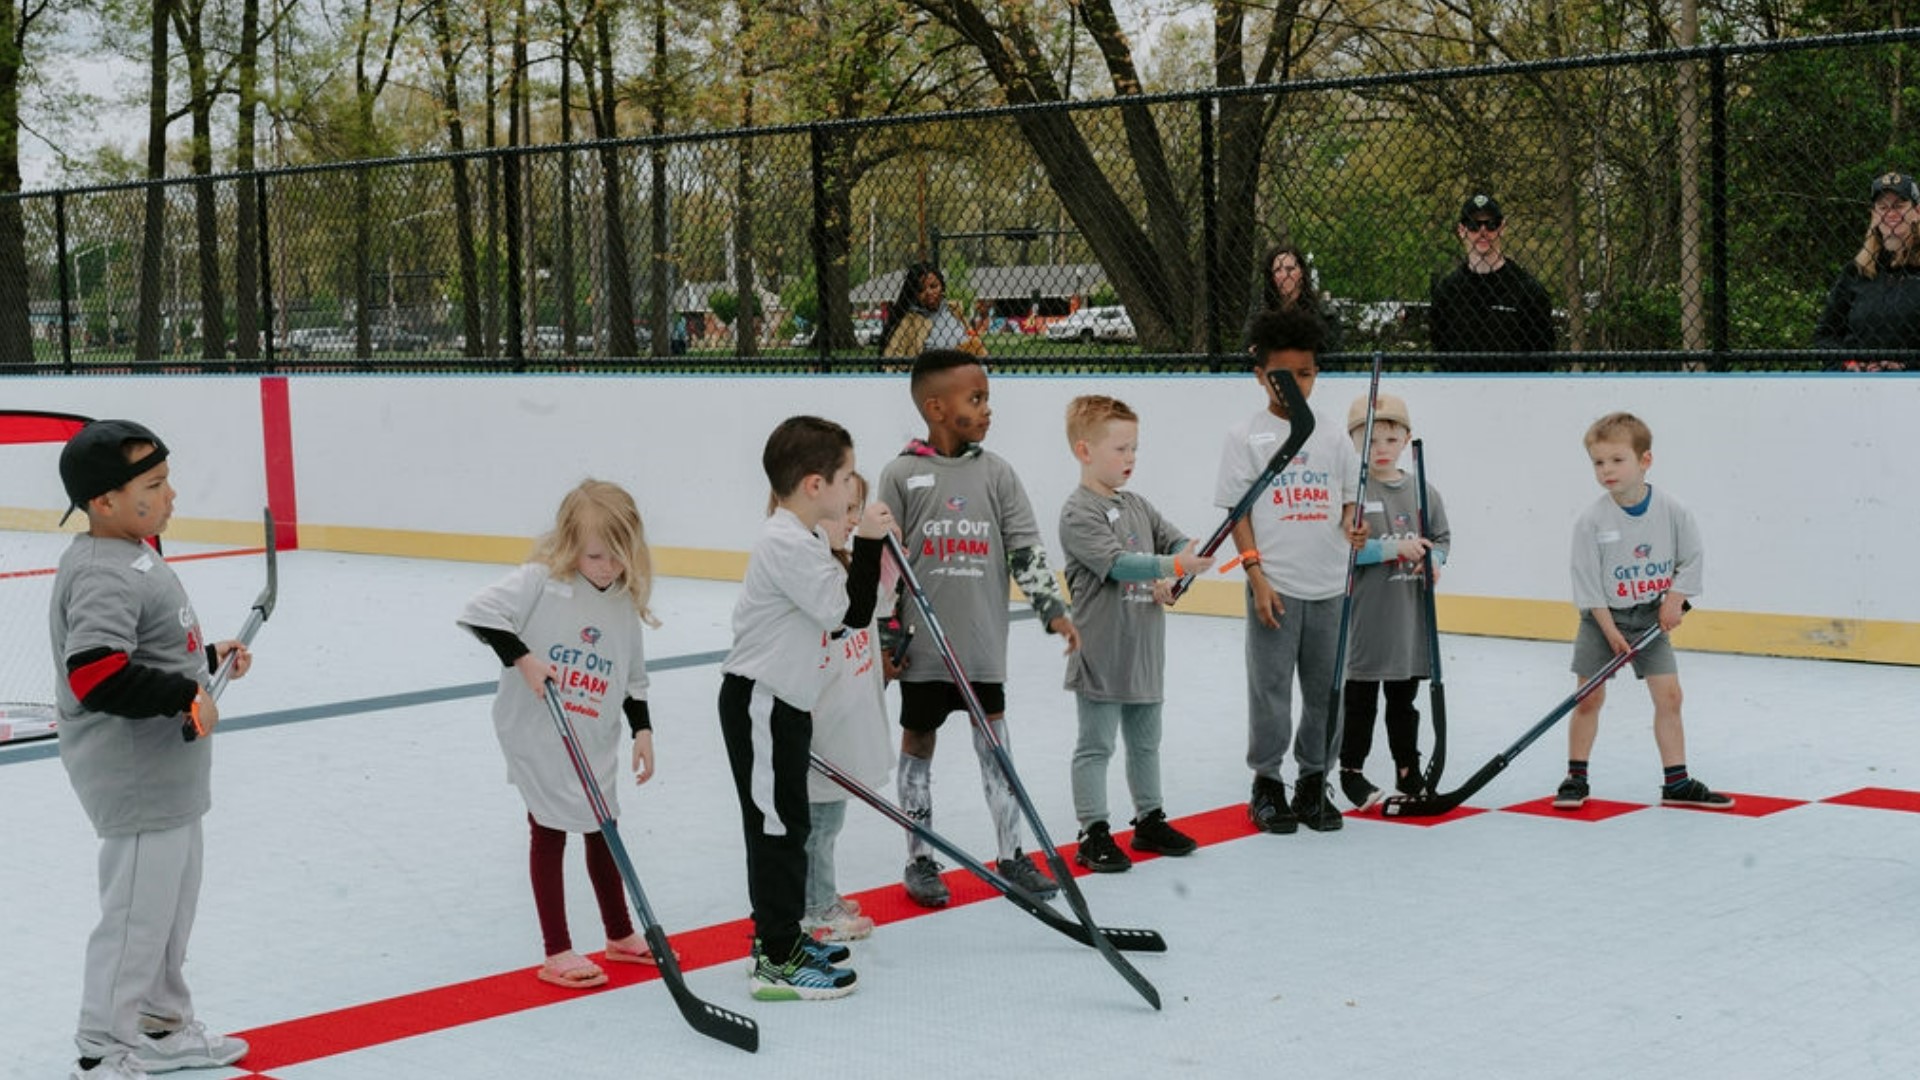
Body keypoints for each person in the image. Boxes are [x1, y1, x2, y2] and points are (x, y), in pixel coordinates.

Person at [51, 419, 253, 1080]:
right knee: (137, 917)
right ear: (104, 501)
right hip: (135, 778)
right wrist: (186, 694)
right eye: (155, 484)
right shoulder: (102, 572)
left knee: (169, 910)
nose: (171, 495)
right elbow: (95, 673)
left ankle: (161, 1025)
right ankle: (101, 1049)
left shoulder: (133, 552)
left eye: (167, 480)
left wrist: (208, 659)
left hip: (169, 776)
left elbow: (149, 649)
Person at [877, 348, 1080, 907]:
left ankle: (1012, 853)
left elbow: (1025, 548)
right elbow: (885, 567)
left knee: (994, 744)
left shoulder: (997, 474)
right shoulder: (901, 475)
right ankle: (920, 858)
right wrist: (887, 639)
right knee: (919, 740)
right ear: (936, 408)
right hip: (923, 651)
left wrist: (1052, 608)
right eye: (976, 398)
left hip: (981, 647)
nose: (988, 408)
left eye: (987, 397)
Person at [457, 480, 668, 991]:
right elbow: (479, 612)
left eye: (618, 556)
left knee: (603, 828)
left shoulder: (621, 599)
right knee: (549, 829)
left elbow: (632, 675)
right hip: (539, 732)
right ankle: (557, 950)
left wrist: (642, 729)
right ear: (570, 543)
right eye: (595, 556)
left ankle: (619, 934)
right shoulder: (541, 582)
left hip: (594, 734)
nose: (607, 567)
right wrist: (524, 659)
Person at [720, 416, 892, 1001]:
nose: (852, 491)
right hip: (762, 701)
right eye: (846, 478)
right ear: (815, 485)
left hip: (787, 704)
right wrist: (869, 541)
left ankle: (785, 936)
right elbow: (849, 614)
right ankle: (775, 959)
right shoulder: (786, 544)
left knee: (790, 827)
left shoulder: (807, 539)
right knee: (776, 831)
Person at [1214, 309, 1363, 835]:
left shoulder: (1334, 436)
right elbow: (1238, 513)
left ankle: (1313, 779)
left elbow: (1348, 501)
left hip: (1330, 587)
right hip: (1274, 588)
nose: (1296, 384)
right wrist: (1256, 577)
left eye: (1306, 373)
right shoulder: (1245, 436)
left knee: (1326, 691)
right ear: (1260, 374)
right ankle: (1268, 783)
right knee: (1270, 689)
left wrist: (1353, 524)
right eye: (1283, 375)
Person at [1057, 395, 1212, 872]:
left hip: (1144, 651)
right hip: (1101, 653)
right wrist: (1171, 566)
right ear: (1085, 451)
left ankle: (1149, 819)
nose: (1130, 458)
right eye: (1120, 449)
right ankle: (1093, 831)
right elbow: (1119, 564)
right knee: (1096, 745)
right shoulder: (1077, 512)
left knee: (1146, 743)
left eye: (1134, 449)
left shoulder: (1138, 505)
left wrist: (1178, 568)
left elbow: (1177, 542)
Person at [1554, 412, 1731, 812]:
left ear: (1645, 460)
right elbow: (1587, 585)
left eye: (1618, 460)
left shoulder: (1673, 510)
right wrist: (1610, 632)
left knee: (1670, 696)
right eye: (1599, 462)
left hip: (1651, 618)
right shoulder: (1590, 521)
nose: (1607, 470)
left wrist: (1674, 599)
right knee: (1588, 699)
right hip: (1602, 620)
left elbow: (1692, 559)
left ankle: (1677, 783)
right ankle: (1576, 777)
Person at [1335, 393, 1451, 810]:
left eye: (1390, 438)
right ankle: (1351, 771)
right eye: (1369, 440)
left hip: (1407, 620)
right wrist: (1394, 549)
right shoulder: (1352, 492)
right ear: (1353, 442)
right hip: (1367, 618)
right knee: (1360, 702)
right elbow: (1344, 549)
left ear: (1406, 439)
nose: (1381, 448)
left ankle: (1408, 769)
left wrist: (1433, 560)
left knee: (1404, 702)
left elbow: (1441, 539)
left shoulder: (1423, 491)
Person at [801, 472, 897, 943]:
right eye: (846, 509)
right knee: (818, 823)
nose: (854, 519)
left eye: (858, 508)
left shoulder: (846, 563)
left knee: (830, 819)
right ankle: (815, 907)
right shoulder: (814, 570)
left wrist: (882, 555)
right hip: (822, 722)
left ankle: (822, 893)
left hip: (846, 718)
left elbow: (878, 603)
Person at [1813, 171, 1920, 371]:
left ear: (1917, 212)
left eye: (1899, 206)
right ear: (1874, 215)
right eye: (1883, 207)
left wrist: (1906, 366)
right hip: (1857, 383)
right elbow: (1825, 335)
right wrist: (1849, 364)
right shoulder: (1857, 270)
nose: (1891, 214)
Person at [1428, 193, 1554, 362]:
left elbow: (1543, 356)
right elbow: (1440, 352)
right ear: (1462, 230)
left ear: (1502, 228)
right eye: (1474, 225)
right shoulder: (1447, 291)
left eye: (1491, 225)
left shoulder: (1528, 291)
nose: (1483, 232)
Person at [878, 263, 986, 359]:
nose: (929, 292)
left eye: (934, 286)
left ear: (942, 287)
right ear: (914, 293)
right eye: (921, 289)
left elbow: (974, 339)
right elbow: (891, 359)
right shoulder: (909, 322)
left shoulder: (954, 310)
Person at [1258, 245, 1344, 354]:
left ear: (1301, 273)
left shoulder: (1324, 315)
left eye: (1290, 269)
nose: (1284, 275)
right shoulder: (1261, 312)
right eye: (1277, 270)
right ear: (1271, 277)